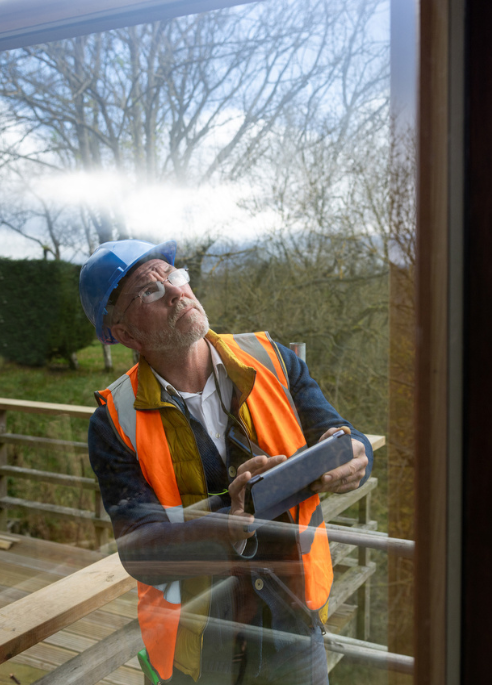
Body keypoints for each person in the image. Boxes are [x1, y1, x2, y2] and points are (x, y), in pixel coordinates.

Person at [80, 239, 373, 685]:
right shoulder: (113, 421)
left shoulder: (274, 359)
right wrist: (226, 522)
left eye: (173, 276)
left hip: (295, 625)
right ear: (126, 335)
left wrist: (356, 454)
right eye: (150, 291)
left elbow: (340, 434)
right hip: (201, 647)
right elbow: (140, 553)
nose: (176, 291)